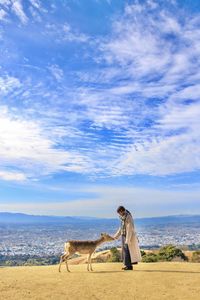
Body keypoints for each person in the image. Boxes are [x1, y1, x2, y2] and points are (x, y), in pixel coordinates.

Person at [113, 206, 142, 270]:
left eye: (119, 213)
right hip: (124, 235)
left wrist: (127, 240)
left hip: (128, 236)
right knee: (125, 251)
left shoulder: (128, 217)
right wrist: (116, 236)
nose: (119, 214)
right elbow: (121, 228)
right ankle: (127, 265)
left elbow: (129, 229)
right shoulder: (123, 217)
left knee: (127, 251)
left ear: (121, 211)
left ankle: (129, 266)